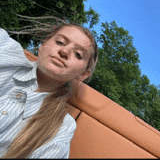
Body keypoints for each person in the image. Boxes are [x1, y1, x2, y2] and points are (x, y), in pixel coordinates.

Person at [0, 16, 98, 158]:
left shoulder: (61, 128)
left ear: (82, 74)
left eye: (78, 54)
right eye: (60, 42)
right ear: (42, 45)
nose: (64, 52)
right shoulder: (5, 49)